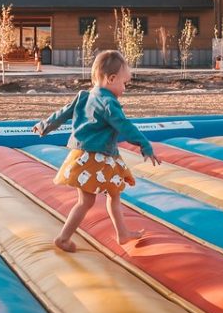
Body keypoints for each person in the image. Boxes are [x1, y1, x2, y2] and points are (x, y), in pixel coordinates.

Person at [32, 49, 161, 251]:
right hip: (98, 157)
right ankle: (65, 238)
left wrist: (44, 125)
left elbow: (63, 113)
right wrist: (145, 145)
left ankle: (121, 233)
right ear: (111, 79)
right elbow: (124, 126)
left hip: (81, 155)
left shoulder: (84, 96)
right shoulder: (109, 102)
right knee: (97, 199)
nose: (125, 88)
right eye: (124, 83)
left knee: (102, 196)